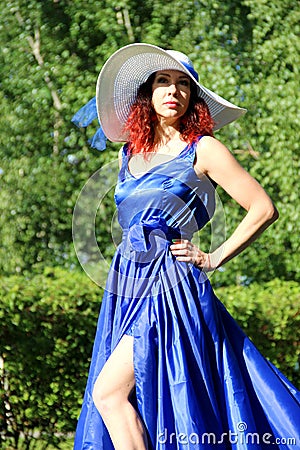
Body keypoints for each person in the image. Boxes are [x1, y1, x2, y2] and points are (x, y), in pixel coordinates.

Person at [73, 43, 299, 450]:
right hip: (129, 282)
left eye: (183, 84)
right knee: (140, 397)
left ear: (192, 97)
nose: (173, 90)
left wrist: (212, 257)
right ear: (148, 92)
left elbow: (263, 208)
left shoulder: (204, 149)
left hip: (171, 284)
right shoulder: (128, 155)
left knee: (108, 392)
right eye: (163, 81)